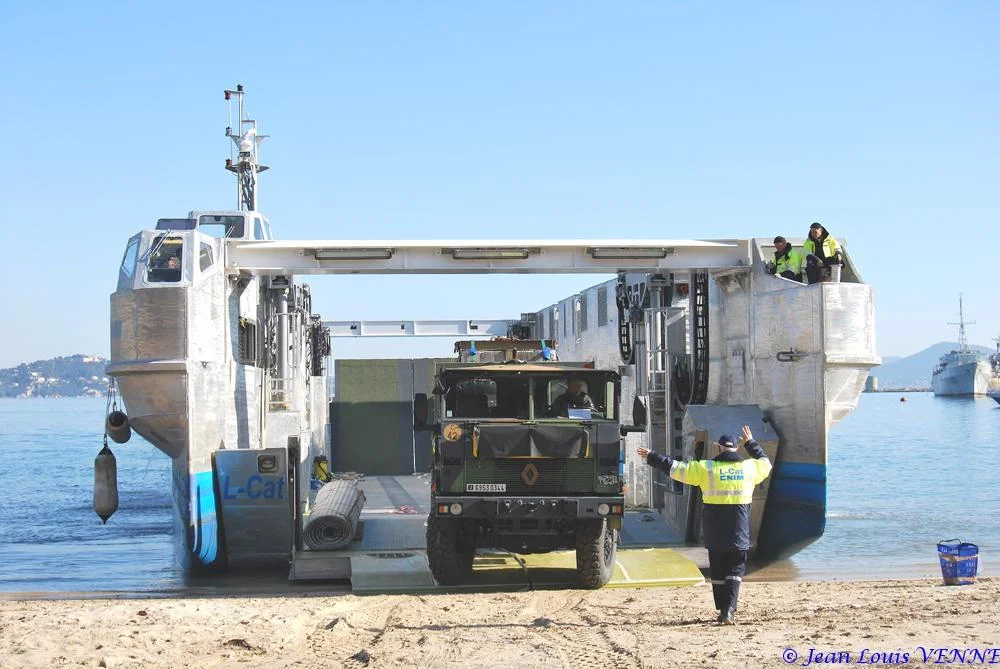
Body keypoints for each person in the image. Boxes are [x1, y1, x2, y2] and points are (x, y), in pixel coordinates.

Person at [637, 425, 771, 625]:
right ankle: (729, 610)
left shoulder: (706, 469)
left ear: (718, 449)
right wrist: (750, 443)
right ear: (736, 449)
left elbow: (677, 469)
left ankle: (721, 608)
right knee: (735, 570)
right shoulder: (749, 469)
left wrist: (653, 457)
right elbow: (766, 464)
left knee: (717, 570)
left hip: (714, 530)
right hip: (738, 530)